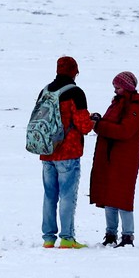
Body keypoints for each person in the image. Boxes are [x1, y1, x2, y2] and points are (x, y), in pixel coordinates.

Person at [35, 56, 94, 248]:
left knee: (49, 196)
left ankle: (48, 238)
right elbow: (83, 126)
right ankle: (67, 238)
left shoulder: (45, 91)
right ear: (74, 71)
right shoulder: (76, 93)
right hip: (68, 152)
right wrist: (94, 120)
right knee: (67, 196)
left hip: (47, 150)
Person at [89, 71, 139, 247]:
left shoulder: (135, 107)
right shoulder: (117, 103)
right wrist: (98, 121)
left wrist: (99, 125)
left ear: (127, 87)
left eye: (118, 87)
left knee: (123, 198)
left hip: (124, 159)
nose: (115, 90)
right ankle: (110, 234)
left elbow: (124, 131)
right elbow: (111, 125)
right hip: (109, 157)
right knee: (109, 197)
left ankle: (127, 236)